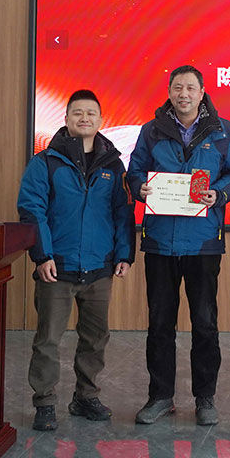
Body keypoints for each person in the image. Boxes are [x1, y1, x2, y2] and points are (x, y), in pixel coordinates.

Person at [126, 65, 230, 427]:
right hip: (160, 240)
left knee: (205, 323)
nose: (184, 94)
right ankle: (160, 396)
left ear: (202, 92)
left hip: (203, 241)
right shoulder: (151, 130)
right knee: (160, 323)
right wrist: (139, 187)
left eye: (191, 88)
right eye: (178, 87)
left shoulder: (223, 131)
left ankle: (205, 398)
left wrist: (219, 193)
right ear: (169, 91)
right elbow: (134, 171)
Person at [18, 89, 135, 432]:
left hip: (99, 267)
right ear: (66, 118)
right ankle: (44, 403)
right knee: (48, 340)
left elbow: (122, 212)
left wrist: (124, 254)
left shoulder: (113, 165)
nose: (84, 118)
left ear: (101, 120)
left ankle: (86, 396)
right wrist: (42, 256)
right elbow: (32, 210)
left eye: (91, 113)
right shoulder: (45, 162)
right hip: (57, 268)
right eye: (77, 113)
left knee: (95, 338)